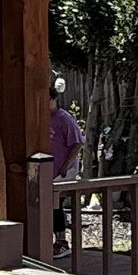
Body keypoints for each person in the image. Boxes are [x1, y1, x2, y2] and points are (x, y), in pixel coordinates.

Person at [49, 81, 84, 252]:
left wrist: (65, 166)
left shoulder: (65, 119)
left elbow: (77, 144)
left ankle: (62, 241)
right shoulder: (43, 119)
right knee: (50, 205)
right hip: (49, 169)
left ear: (54, 99)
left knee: (56, 204)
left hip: (63, 170)